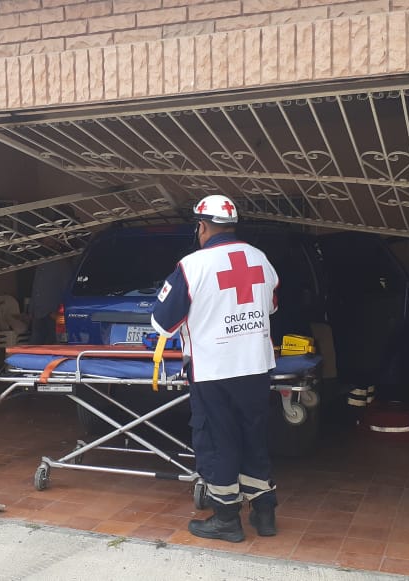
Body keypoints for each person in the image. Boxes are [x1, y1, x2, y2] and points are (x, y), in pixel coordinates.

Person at [150, 194, 280, 543]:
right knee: (254, 436)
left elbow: (162, 323)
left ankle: (226, 519)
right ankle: (264, 512)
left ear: (202, 227)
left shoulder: (192, 266)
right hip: (255, 366)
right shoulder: (260, 259)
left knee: (219, 441)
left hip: (213, 370)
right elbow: (271, 306)